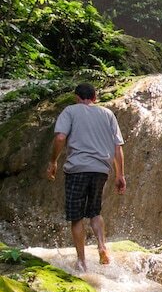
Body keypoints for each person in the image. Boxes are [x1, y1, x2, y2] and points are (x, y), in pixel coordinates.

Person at [46, 83, 126, 272]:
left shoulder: (70, 111)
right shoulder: (107, 114)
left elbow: (59, 138)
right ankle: (102, 246)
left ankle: (82, 261)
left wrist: (53, 162)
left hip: (78, 169)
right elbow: (117, 147)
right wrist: (120, 175)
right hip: (101, 170)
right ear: (95, 97)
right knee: (95, 212)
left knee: (77, 217)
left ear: (76, 97)